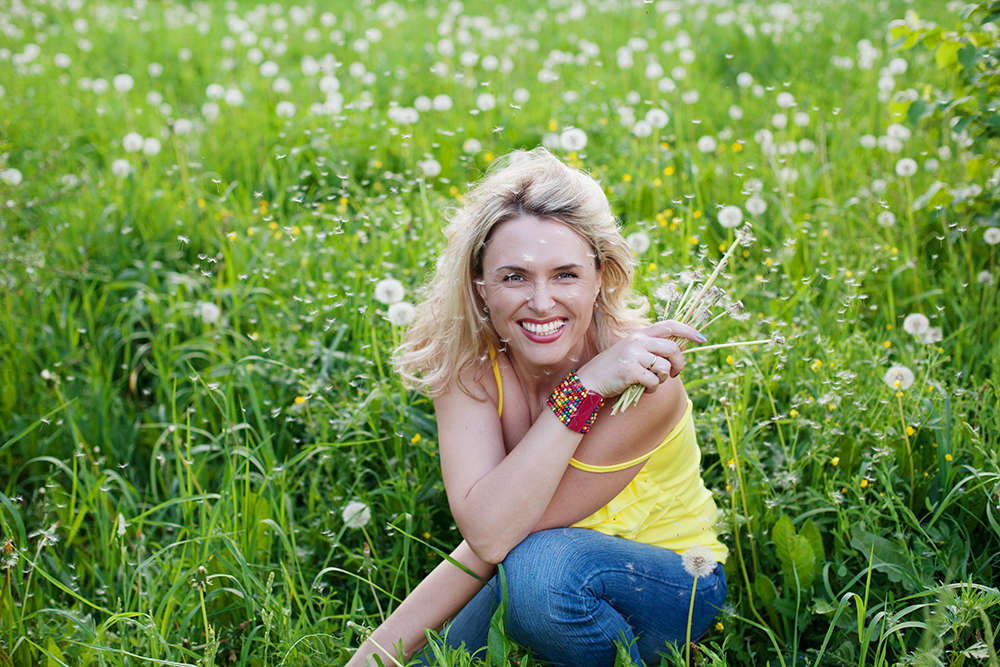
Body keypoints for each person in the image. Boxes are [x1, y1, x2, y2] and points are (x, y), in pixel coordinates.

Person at [347, 148, 727, 666]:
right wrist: (370, 661)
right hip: (521, 566)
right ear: (480, 286)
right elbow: (490, 534)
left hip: (668, 580)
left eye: (566, 274)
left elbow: (497, 534)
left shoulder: (645, 381)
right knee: (435, 658)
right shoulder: (466, 363)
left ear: (602, 276)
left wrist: (587, 386)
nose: (542, 302)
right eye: (514, 277)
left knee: (539, 573)